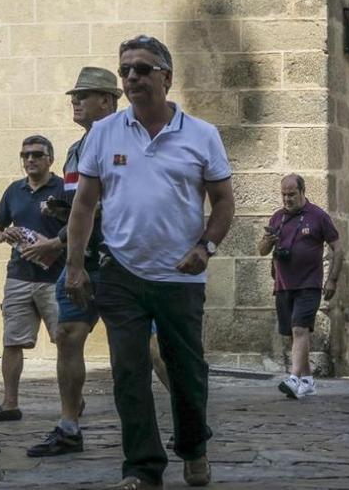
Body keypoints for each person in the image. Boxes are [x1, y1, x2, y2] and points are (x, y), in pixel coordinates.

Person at [66, 35, 235, 489]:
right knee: (127, 373)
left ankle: (194, 446)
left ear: (167, 76)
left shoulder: (202, 135)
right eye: (125, 71)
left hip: (180, 275)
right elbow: (83, 205)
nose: (132, 77)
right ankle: (142, 468)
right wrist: (75, 264)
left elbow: (223, 203)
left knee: (186, 372)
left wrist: (206, 247)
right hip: (121, 271)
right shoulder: (104, 134)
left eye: (142, 69)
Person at [21, 67, 121, 457]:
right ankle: (69, 426)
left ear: (108, 101)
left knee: (147, 349)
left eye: (85, 94)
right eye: (74, 95)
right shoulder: (76, 150)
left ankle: (188, 420)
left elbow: (105, 206)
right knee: (67, 337)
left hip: (116, 261)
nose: (75, 101)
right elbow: (82, 208)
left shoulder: (122, 140)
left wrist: (56, 242)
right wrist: (61, 214)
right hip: (79, 260)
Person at [0, 135, 65, 423]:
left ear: (50, 159)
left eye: (36, 154)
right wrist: (3, 234)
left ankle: (73, 401)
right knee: (12, 342)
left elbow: (81, 227)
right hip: (19, 277)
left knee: (65, 342)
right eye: (25, 155)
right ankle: (10, 404)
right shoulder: (14, 190)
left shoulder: (63, 189)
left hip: (57, 278)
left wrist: (52, 245)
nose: (30, 160)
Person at [260, 174, 344, 400]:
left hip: (309, 283)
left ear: (302, 191)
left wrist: (332, 279)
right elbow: (262, 250)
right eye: (284, 195)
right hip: (283, 284)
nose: (287, 199)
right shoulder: (278, 217)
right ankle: (307, 381)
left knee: (299, 329)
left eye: (292, 194)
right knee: (294, 334)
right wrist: (268, 241)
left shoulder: (318, 216)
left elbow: (338, 248)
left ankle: (294, 378)